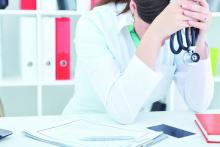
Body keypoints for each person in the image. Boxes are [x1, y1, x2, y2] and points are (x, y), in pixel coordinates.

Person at [63, 0, 214, 124]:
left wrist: (199, 37)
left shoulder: (176, 27)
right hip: (85, 125)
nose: (165, 38)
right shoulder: (94, 24)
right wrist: (155, 33)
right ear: (133, 7)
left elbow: (198, 103)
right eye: (150, 28)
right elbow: (122, 111)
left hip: (138, 130)